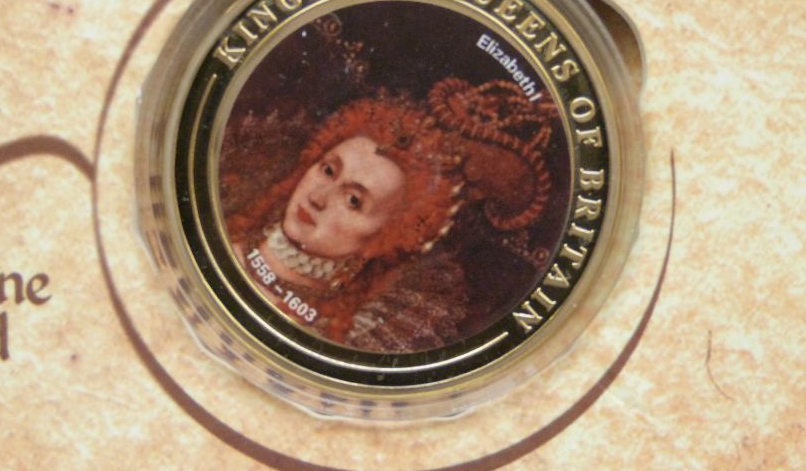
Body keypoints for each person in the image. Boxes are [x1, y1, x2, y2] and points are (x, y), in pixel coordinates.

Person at [224, 78, 557, 353]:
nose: (318, 198)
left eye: (353, 200)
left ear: (386, 236)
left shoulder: (358, 334)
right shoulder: (224, 226)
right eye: (328, 170)